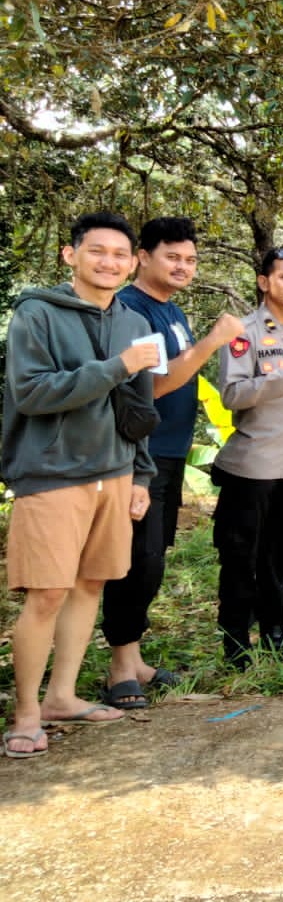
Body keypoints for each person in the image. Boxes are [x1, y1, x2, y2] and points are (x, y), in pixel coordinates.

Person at [2, 212, 159, 757]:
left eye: (120, 254)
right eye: (98, 251)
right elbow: (32, 393)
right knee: (46, 593)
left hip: (114, 474)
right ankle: (25, 715)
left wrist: (141, 473)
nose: (109, 262)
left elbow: (137, 409)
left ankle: (61, 697)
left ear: (133, 261)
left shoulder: (134, 322)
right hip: (52, 472)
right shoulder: (37, 314)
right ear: (71, 256)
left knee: (92, 584)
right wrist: (116, 366)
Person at [99, 217, 243, 708]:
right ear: (143, 257)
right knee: (136, 561)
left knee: (152, 558)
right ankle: (121, 669)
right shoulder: (132, 310)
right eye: (173, 257)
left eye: (190, 259)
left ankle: (135, 659)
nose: (183, 266)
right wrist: (211, 342)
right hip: (140, 456)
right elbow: (155, 385)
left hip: (171, 451)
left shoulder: (173, 311)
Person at [211, 247, 283, 667]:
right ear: (264, 282)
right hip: (252, 467)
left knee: (279, 554)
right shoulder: (243, 332)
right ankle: (236, 642)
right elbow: (232, 394)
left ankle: (277, 633)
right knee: (242, 557)